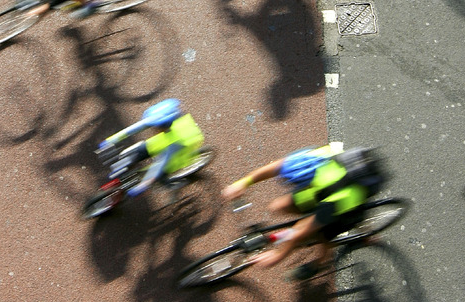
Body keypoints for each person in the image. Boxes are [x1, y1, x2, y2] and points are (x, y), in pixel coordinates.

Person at [222, 145, 385, 280]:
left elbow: (303, 230)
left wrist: (278, 255)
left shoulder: (341, 199)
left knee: (323, 236)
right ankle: (297, 228)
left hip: (341, 206)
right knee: (278, 206)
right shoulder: (310, 161)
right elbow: (275, 167)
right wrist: (243, 183)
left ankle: (320, 263)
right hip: (317, 190)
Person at [99, 99, 205, 197]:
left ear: (165, 126)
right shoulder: (165, 123)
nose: (153, 128)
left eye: (156, 127)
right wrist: (112, 140)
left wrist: (144, 185)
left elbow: (161, 165)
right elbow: (138, 127)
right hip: (159, 143)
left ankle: (176, 185)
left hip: (176, 156)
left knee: (160, 178)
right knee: (134, 153)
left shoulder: (176, 142)